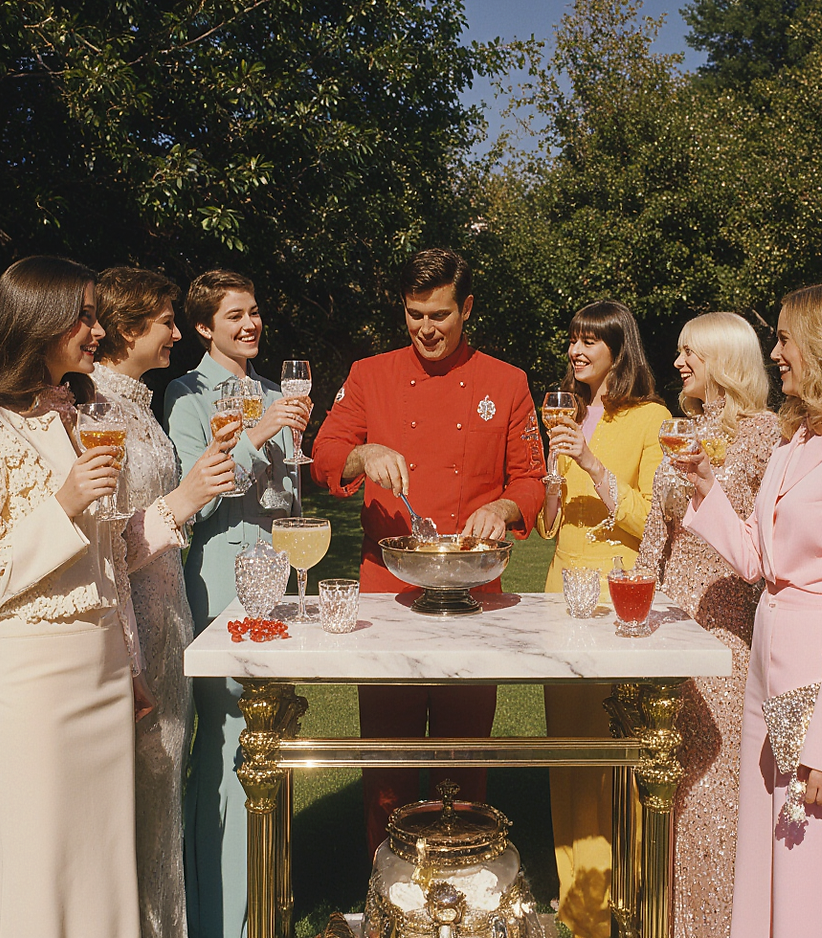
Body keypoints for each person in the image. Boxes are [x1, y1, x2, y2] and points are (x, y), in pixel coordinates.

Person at [0, 256, 234, 938]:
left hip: (103, 666)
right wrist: (65, 504)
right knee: (43, 870)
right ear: (37, 321)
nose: (98, 330)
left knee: (105, 871)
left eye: (97, 314)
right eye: (86, 315)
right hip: (38, 680)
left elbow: (114, 560)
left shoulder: (70, 416)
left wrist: (128, 664)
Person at [675, 282, 822, 938]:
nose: (774, 352)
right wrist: (704, 486)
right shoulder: (795, 439)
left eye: (784, 337)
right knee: (768, 859)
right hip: (765, 672)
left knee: (819, 871)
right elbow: (756, 559)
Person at [310, 247, 546, 855]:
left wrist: (502, 508)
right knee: (385, 759)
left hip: (474, 594)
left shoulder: (508, 381)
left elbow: (531, 481)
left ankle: (464, 878)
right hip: (386, 588)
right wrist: (363, 455)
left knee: (464, 756)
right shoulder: (370, 374)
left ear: (467, 308)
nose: (426, 328)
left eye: (439, 314)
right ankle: (386, 883)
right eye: (415, 314)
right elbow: (325, 456)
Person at [163, 268, 310, 938]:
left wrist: (291, 448)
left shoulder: (277, 391)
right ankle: (220, 918)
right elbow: (205, 493)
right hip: (220, 576)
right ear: (202, 327)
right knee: (225, 746)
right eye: (233, 317)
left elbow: (287, 497)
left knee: (269, 738)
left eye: (253, 312)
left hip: (274, 572)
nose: (250, 325)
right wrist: (259, 436)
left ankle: (267, 905)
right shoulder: (186, 394)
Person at [95, 266, 240, 938]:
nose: (178, 334)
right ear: (128, 330)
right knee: (134, 806)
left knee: (162, 799)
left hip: (168, 620)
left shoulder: (138, 405)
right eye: (165, 322)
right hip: (132, 632)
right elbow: (102, 549)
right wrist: (189, 497)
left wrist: (204, 469)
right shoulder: (93, 409)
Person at [636, 312, 779, 938]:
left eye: (688, 351)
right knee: (664, 787)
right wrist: (634, 600)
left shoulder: (766, 435)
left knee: (719, 799)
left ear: (722, 358)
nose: (677, 364)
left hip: (726, 630)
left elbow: (763, 548)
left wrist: (706, 479)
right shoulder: (681, 429)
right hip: (667, 622)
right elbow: (653, 537)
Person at [536, 300, 669, 938]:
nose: (576, 351)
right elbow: (547, 526)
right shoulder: (570, 413)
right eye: (573, 339)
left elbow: (654, 522)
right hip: (562, 592)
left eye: (591, 341)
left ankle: (630, 905)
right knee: (568, 758)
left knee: (617, 755)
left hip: (621, 599)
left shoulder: (653, 418)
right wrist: (554, 484)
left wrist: (588, 462)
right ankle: (580, 914)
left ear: (621, 349)